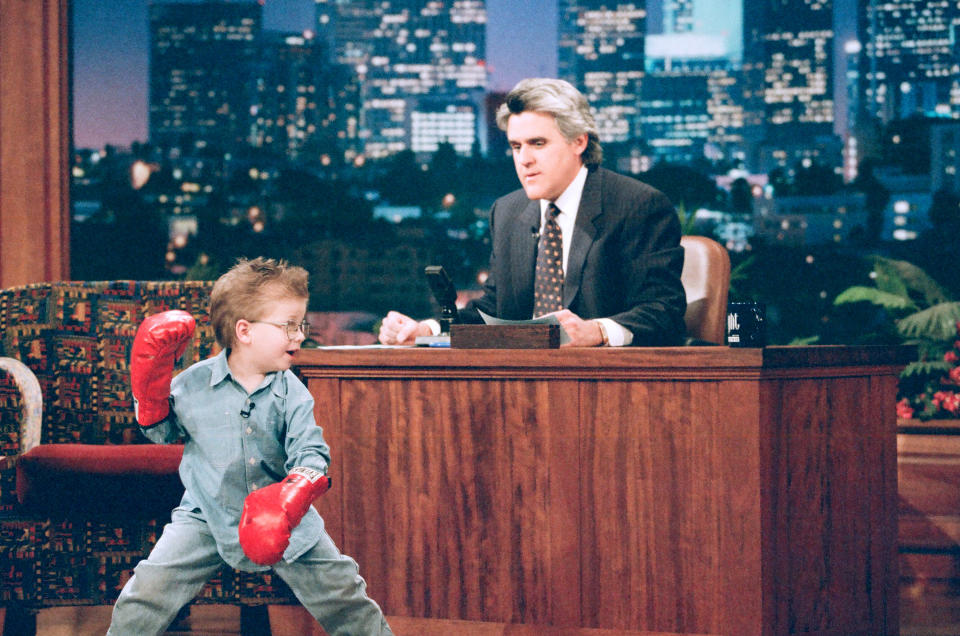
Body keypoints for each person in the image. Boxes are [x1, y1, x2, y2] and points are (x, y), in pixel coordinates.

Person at [108, 257, 392, 636]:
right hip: (205, 513)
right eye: (289, 325)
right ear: (244, 330)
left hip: (286, 517)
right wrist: (150, 394)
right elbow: (161, 435)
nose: (299, 335)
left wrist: (290, 498)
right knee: (146, 592)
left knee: (345, 594)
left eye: (301, 325)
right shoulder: (192, 383)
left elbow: (311, 453)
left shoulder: (291, 389)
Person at [378, 78, 687, 347]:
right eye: (516, 146)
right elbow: (493, 311)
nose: (524, 159)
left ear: (579, 141)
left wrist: (596, 332)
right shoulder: (508, 212)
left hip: (605, 388)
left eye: (537, 143)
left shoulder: (638, 207)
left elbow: (663, 311)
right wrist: (427, 330)